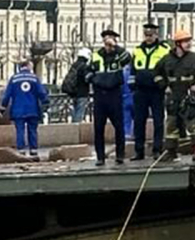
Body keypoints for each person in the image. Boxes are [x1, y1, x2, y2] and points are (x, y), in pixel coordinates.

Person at [154, 29, 195, 162]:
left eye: (189, 41)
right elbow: (156, 72)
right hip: (173, 96)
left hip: (187, 95)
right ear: (178, 44)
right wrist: (164, 86)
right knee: (171, 125)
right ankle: (171, 152)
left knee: (192, 124)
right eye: (185, 41)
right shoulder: (167, 59)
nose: (189, 44)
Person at [87, 29, 132, 166]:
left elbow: (128, 58)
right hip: (100, 95)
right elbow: (87, 72)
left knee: (119, 127)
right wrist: (95, 80)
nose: (109, 45)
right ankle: (100, 157)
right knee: (98, 128)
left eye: (111, 41)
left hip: (114, 94)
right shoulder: (96, 56)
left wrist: (116, 48)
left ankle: (120, 155)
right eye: (107, 42)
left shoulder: (118, 56)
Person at [131, 22, 169, 160]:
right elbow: (133, 70)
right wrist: (133, 85)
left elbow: (167, 69)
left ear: (156, 34)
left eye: (151, 35)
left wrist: (164, 85)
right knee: (139, 121)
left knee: (158, 121)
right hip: (140, 90)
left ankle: (157, 149)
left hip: (156, 91)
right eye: (146, 35)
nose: (148, 38)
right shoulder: (137, 50)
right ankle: (139, 151)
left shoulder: (164, 50)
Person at [0, 61, 49, 158]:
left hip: (18, 109)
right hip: (32, 109)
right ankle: (33, 151)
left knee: (20, 131)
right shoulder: (34, 78)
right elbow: (41, 93)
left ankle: (21, 152)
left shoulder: (14, 79)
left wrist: (3, 107)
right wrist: (46, 103)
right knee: (33, 130)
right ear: (28, 66)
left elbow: (7, 95)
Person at [61, 48, 91, 123]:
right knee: (79, 113)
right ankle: (77, 130)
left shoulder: (74, 65)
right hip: (82, 93)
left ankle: (73, 128)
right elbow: (87, 79)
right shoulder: (84, 67)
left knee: (74, 111)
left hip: (72, 92)